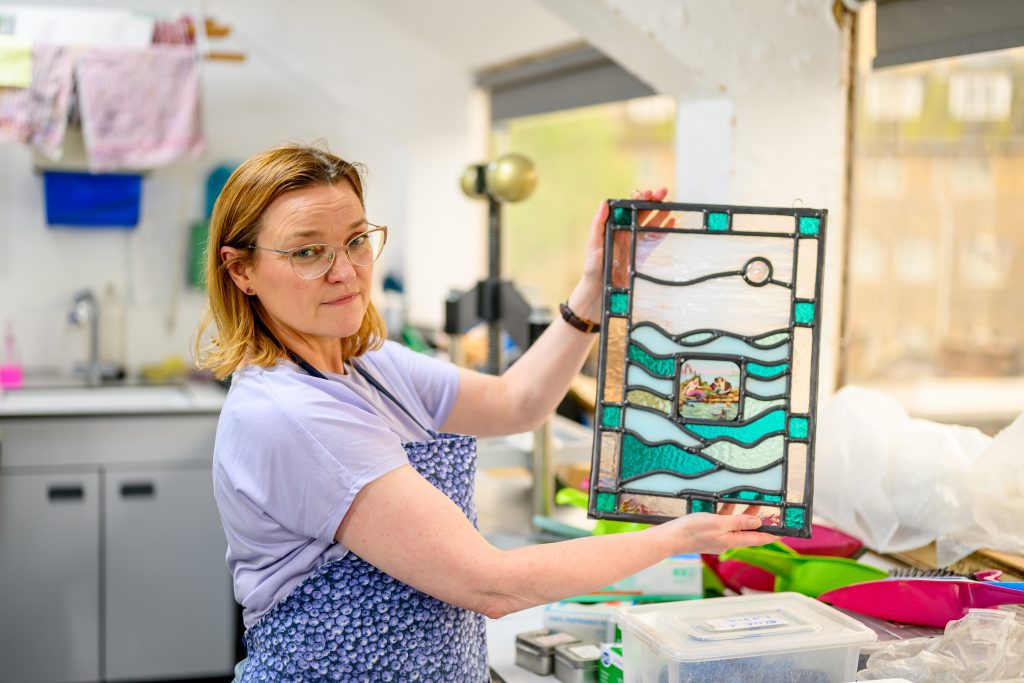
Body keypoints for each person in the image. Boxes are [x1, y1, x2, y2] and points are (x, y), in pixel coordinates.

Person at [196, 143, 774, 681]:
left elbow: (513, 404)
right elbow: (492, 586)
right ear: (240, 270)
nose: (345, 270)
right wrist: (679, 536)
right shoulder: (292, 414)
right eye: (306, 252)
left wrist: (594, 289)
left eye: (355, 240)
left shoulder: (370, 364)